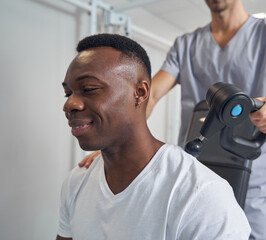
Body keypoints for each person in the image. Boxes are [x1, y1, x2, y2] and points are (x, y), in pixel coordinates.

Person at [79, 0, 266, 239]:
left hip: (253, 183)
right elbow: (148, 96)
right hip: (193, 180)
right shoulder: (186, 45)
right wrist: (114, 138)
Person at [56, 33, 250, 240]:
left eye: (89, 89)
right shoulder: (77, 181)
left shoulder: (203, 197)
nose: (69, 104)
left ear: (139, 92)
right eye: (68, 93)